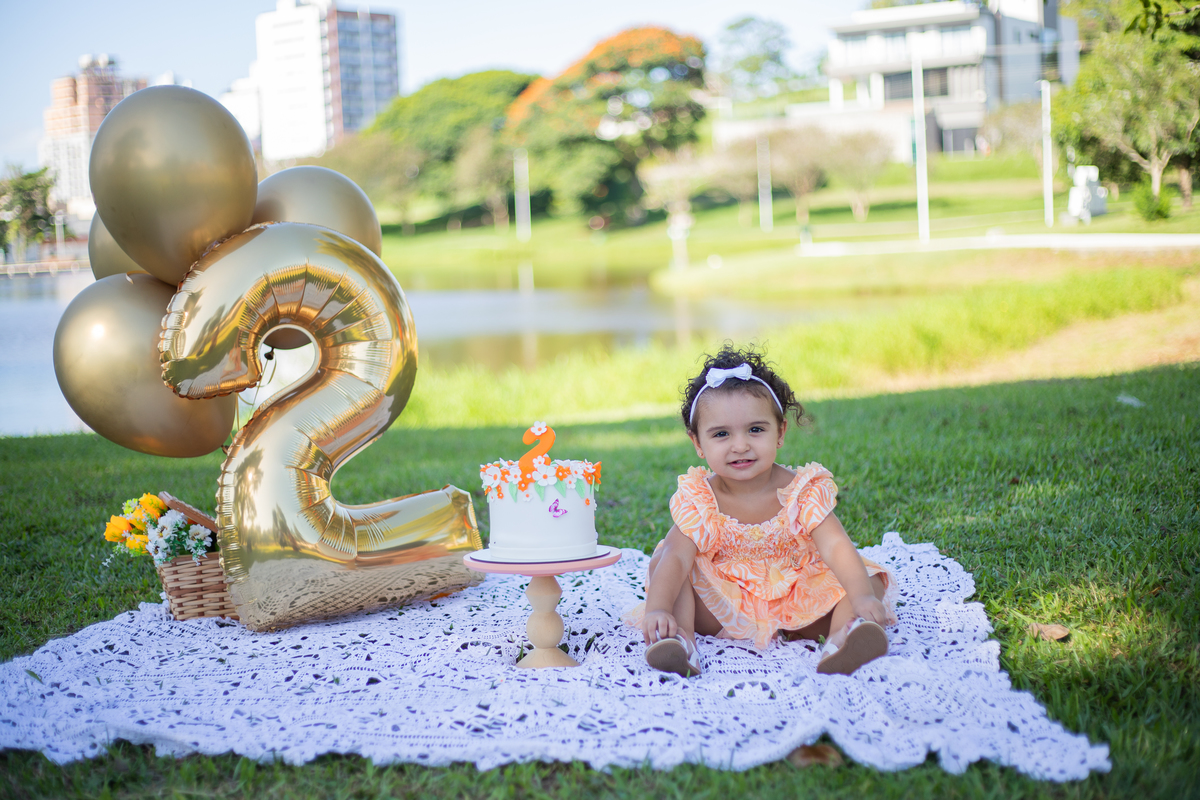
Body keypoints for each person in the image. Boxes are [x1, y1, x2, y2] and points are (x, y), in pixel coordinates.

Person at [624, 345, 897, 677]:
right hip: (724, 607)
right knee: (667, 561)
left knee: (867, 578)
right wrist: (657, 609)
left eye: (755, 429)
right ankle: (679, 639)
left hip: (798, 602)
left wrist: (862, 597)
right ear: (697, 443)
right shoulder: (701, 497)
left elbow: (836, 545)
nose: (740, 445)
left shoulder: (802, 491)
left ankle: (845, 635)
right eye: (721, 434)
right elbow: (677, 557)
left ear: (780, 432)